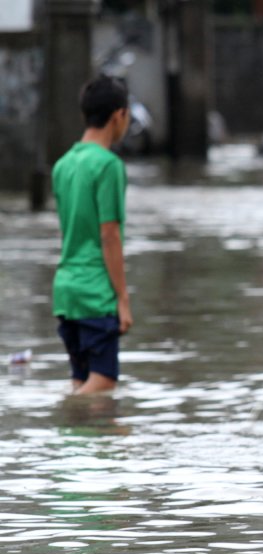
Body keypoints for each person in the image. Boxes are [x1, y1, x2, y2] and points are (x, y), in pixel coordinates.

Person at [51, 74, 133, 395]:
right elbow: (109, 235)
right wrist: (123, 299)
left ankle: (73, 438)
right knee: (103, 383)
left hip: (66, 290)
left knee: (81, 382)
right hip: (95, 292)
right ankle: (63, 415)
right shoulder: (108, 166)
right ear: (119, 115)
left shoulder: (63, 165)